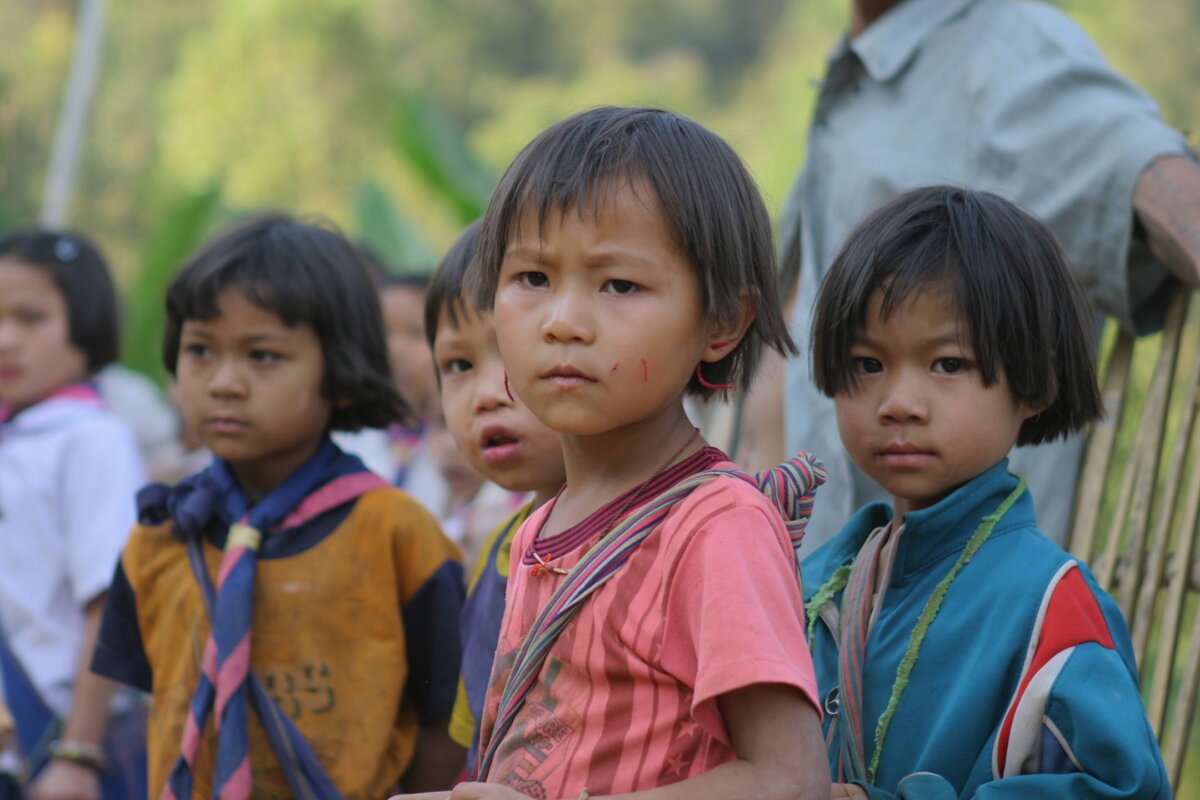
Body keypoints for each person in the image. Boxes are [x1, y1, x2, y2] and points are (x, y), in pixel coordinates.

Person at [397, 106, 830, 800]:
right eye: (533, 279)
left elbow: (791, 779)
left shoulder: (715, 527)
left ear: (722, 323)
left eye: (619, 285)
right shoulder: (539, 527)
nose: (564, 322)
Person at [765, 0, 1200, 549]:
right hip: (844, 590)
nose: (899, 400)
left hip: (972, 587)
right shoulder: (864, 61)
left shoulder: (1010, 52)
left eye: (948, 364)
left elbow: (1151, 175)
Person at [804, 186, 1170, 799]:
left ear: (1035, 383)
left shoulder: (1052, 610)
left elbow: (1119, 790)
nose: (898, 403)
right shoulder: (817, 584)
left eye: (947, 364)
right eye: (867, 363)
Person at [90, 215, 466, 798]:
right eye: (199, 350)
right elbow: (154, 697)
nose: (223, 382)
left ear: (340, 372)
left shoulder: (397, 533)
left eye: (262, 356)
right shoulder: (161, 532)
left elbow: (449, 714)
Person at [0, 229, 146, 800]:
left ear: (86, 326)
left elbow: (110, 601)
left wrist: (78, 755)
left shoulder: (93, 439)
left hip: (55, 740)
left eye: (31, 318)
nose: (6, 339)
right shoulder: (17, 438)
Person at [424, 220, 566, 778]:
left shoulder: (670, 539)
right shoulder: (497, 554)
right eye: (458, 365)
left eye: (511, 355)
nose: (486, 395)